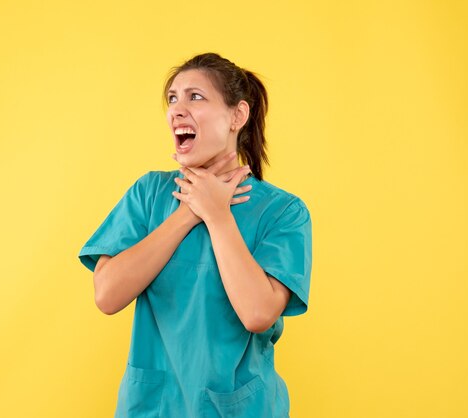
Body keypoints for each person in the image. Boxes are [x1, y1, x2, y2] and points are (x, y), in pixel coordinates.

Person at [78, 52, 313, 418]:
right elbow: (107, 294)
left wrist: (218, 216)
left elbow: (257, 313)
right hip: (153, 407)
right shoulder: (149, 194)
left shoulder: (283, 212)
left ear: (238, 116)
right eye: (172, 98)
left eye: (195, 97)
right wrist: (190, 211)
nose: (177, 109)